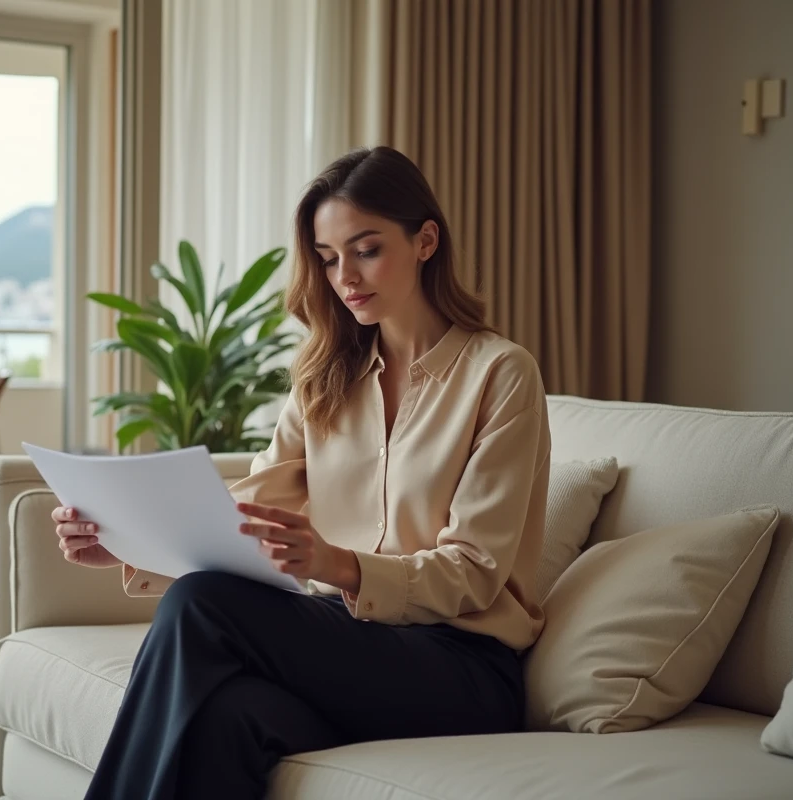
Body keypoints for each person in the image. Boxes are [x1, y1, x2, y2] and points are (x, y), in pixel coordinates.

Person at [52, 145, 551, 800]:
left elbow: (476, 571)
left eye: (366, 248)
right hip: (351, 653)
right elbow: (240, 514)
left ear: (426, 240)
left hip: (461, 670)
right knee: (226, 719)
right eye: (327, 257)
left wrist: (338, 565)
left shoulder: (500, 373)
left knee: (200, 604)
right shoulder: (324, 378)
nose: (345, 275)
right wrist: (123, 536)